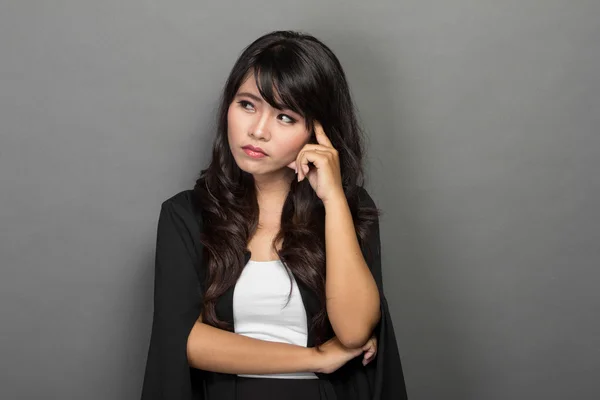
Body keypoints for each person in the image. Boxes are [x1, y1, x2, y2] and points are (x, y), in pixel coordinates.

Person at [140, 30, 408, 400]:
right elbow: (184, 340)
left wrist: (332, 200)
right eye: (247, 105)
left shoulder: (348, 209)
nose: (258, 131)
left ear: (317, 132)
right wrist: (314, 357)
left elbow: (354, 332)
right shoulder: (186, 215)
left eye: (284, 116)